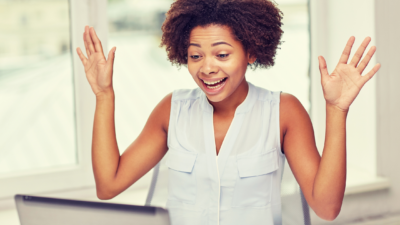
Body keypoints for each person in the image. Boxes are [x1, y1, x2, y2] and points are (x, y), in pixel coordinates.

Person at [75, 0, 381, 224]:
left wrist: (336, 109)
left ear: (251, 52)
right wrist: (104, 95)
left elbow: (327, 208)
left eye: (222, 54)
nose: (207, 68)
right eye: (195, 55)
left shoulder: (283, 112)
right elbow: (108, 184)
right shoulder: (172, 110)